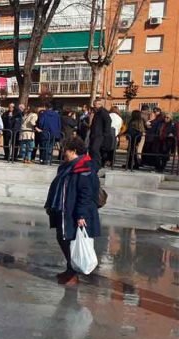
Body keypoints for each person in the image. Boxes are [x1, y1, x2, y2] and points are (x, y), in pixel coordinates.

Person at [44, 137, 101, 287]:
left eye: (65, 150)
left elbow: (86, 193)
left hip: (75, 212)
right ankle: (70, 269)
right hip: (63, 210)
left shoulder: (84, 167)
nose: (63, 153)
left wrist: (81, 214)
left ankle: (73, 272)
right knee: (62, 238)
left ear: (74, 151)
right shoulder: (66, 166)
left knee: (71, 241)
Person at [88, 97, 111, 170]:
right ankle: (94, 164)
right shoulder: (97, 113)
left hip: (99, 135)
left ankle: (97, 164)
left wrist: (105, 134)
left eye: (95, 105)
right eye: (94, 105)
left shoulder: (103, 112)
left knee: (95, 149)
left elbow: (108, 122)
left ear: (99, 104)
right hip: (95, 135)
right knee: (92, 150)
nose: (94, 106)